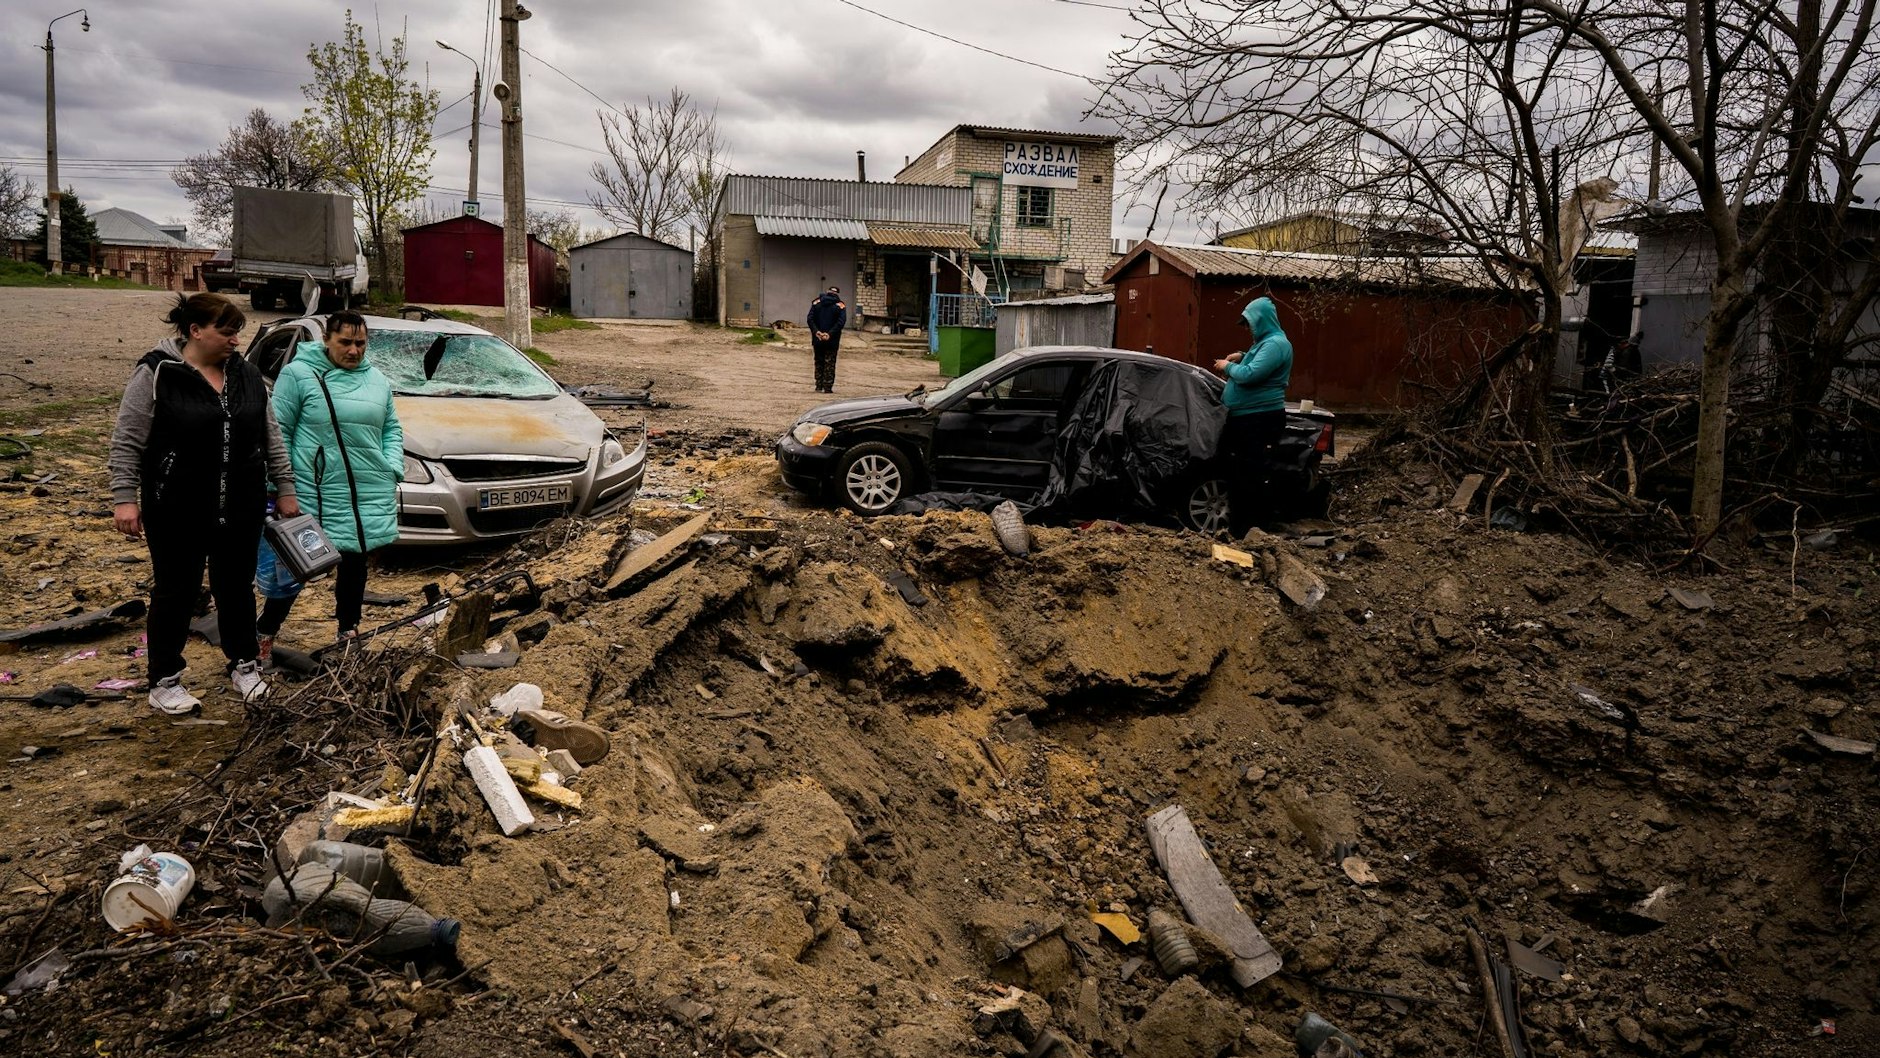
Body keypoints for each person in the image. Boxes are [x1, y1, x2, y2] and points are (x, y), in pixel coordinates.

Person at [108, 293, 300, 715]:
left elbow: (272, 437)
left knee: (236, 588)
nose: (235, 340)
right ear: (195, 331)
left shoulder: (247, 374)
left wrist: (285, 488)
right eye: (227, 332)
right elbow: (128, 440)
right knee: (176, 591)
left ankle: (244, 666)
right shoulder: (157, 373)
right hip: (175, 506)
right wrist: (125, 498)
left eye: (237, 333)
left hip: (241, 505)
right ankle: (164, 679)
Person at [261, 311, 403, 650]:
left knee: (355, 564)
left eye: (361, 343)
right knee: (296, 569)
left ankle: (348, 630)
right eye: (345, 343)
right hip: (314, 491)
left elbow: (391, 429)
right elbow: (278, 433)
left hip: (364, 490)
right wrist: (282, 488)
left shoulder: (377, 380)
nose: (354, 351)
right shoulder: (298, 375)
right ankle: (264, 634)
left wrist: (390, 466)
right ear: (326, 340)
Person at [1212, 296, 1294, 537]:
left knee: (1251, 477)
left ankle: (1251, 531)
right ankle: (1241, 529)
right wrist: (1242, 354)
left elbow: (1251, 374)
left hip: (1258, 419)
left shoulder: (1276, 344)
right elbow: (1255, 359)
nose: (1247, 329)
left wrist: (1227, 367)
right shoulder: (1266, 343)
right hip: (1247, 418)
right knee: (1240, 475)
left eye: (1249, 324)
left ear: (1261, 321)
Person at [807, 285, 848, 393]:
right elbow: (841, 322)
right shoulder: (840, 306)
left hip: (818, 339)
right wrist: (829, 334)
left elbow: (810, 319)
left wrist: (817, 332)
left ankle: (818, 386)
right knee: (830, 362)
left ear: (827, 292)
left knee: (819, 361)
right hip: (832, 340)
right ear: (837, 294)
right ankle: (828, 387)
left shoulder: (816, 303)